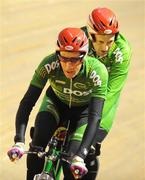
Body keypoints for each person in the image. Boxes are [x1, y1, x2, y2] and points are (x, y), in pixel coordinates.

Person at [7, 27, 108, 180]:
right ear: (57, 54)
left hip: (83, 113)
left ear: (84, 56)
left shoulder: (97, 71)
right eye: (64, 58)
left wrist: (81, 156)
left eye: (74, 59)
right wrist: (19, 141)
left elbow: (95, 117)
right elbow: (27, 102)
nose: (68, 65)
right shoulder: (49, 63)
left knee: (71, 165)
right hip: (55, 104)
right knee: (37, 147)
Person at [80, 7, 132, 179]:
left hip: (104, 103)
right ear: (89, 34)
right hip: (78, 95)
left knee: (87, 150)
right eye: (100, 42)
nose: (105, 48)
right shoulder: (80, 40)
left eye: (110, 41)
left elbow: (111, 93)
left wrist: (91, 122)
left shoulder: (122, 52)